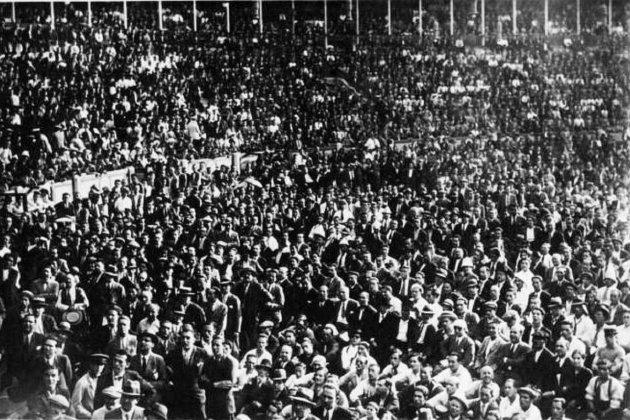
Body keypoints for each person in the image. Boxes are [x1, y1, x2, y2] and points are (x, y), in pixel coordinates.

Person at [201, 335, 237, 420]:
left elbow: (228, 385)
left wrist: (209, 383)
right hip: (210, 402)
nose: (214, 347)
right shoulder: (208, 362)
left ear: (223, 347)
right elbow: (201, 383)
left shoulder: (228, 362)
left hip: (224, 403)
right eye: (213, 345)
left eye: (217, 345)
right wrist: (215, 384)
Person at [71, 354, 109, 419]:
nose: (99, 368)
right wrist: (91, 416)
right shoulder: (82, 382)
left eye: (101, 365)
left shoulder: (104, 380)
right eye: (96, 365)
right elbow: (75, 405)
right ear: (91, 365)